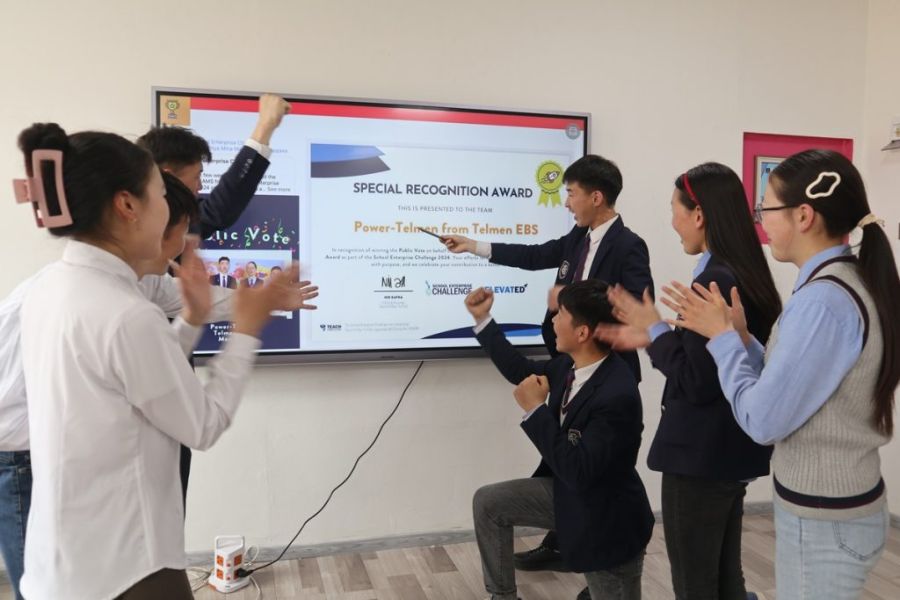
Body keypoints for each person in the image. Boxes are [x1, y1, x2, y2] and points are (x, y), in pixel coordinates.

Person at [12, 123, 313, 599]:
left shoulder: (52, 288)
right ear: (128, 205)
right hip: (127, 570)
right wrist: (246, 330)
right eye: (160, 195)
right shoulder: (125, 313)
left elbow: (139, 382)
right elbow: (203, 424)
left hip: (64, 567)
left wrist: (192, 317)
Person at [661, 150, 899, 600]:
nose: (761, 222)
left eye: (765, 209)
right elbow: (796, 381)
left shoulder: (823, 301)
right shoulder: (839, 283)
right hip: (836, 509)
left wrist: (723, 340)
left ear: (803, 216)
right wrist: (743, 338)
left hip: (825, 519)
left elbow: (763, 420)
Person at [445, 155, 653, 594]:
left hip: (601, 371)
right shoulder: (578, 239)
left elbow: (637, 313)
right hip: (574, 364)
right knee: (555, 474)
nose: (566, 203)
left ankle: (584, 550)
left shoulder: (628, 246)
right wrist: (475, 248)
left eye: (571, 193)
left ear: (596, 197)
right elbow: (535, 255)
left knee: (585, 473)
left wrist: (578, 311)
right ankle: (563, 542)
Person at [597, 163, 781, 600]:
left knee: (697, 585)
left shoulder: (715, 278)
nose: (672, 221)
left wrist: (654, 330)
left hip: (701, 456)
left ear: (698, 214)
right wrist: (656, 334)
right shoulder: (740, 270)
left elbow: (697, 382)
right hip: (728, 452)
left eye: (674, 210)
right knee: (726, 581)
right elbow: (714, 366)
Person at [466, 279, 653, 600]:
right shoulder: (570, 365)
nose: (552, 320)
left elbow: (579, 472)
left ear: (582, 333)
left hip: (608, 519)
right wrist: (483, 319)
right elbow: (520, 370)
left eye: (561, 314)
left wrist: (535, 412)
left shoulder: (617, 394)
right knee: (489, 503)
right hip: (571, 494)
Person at [137, 93, 291, 238]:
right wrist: (265, 125)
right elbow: (216, 211)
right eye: (196, 176)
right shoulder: (154, 224)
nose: (200, 186)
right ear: (169, 178)